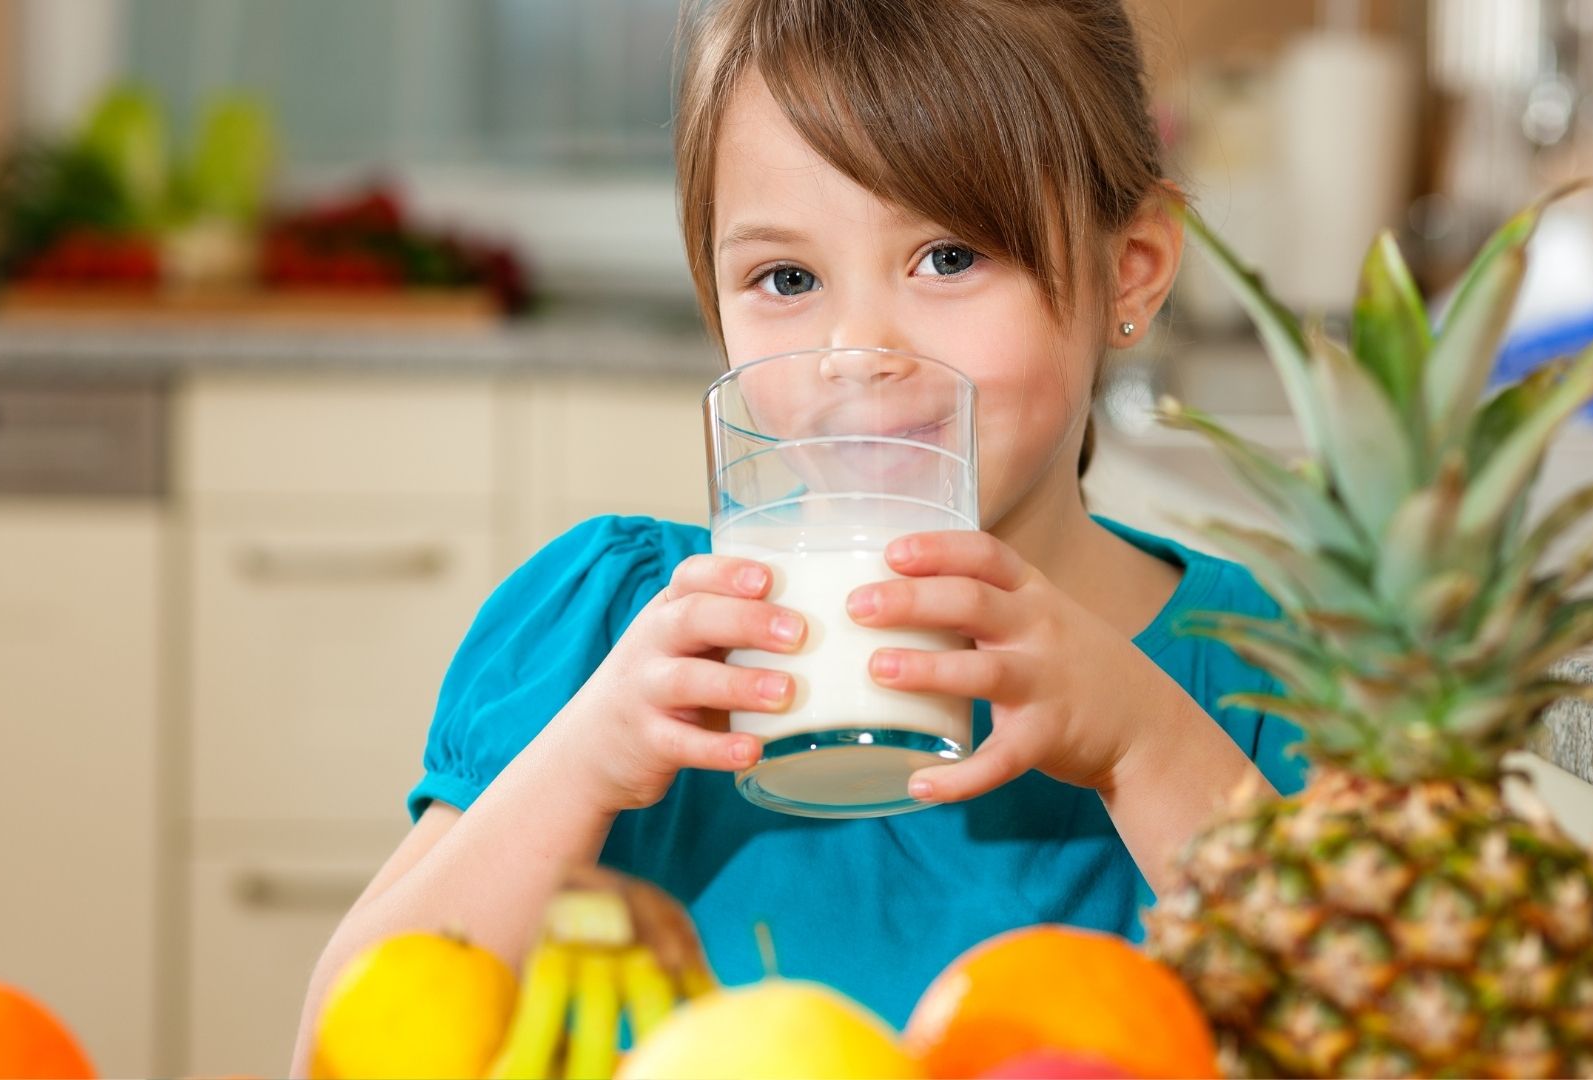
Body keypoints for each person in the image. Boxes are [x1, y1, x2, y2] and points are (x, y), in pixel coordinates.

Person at [293, 0, 1305, 1064]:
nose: (855, 350)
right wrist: (585, 761)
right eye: (786, 279)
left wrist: (1145, 742)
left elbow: (1358, 1040)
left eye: (949, 257)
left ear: (1130, 268)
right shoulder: (613, 637)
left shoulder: (1255, 677)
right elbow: (333, 1050)